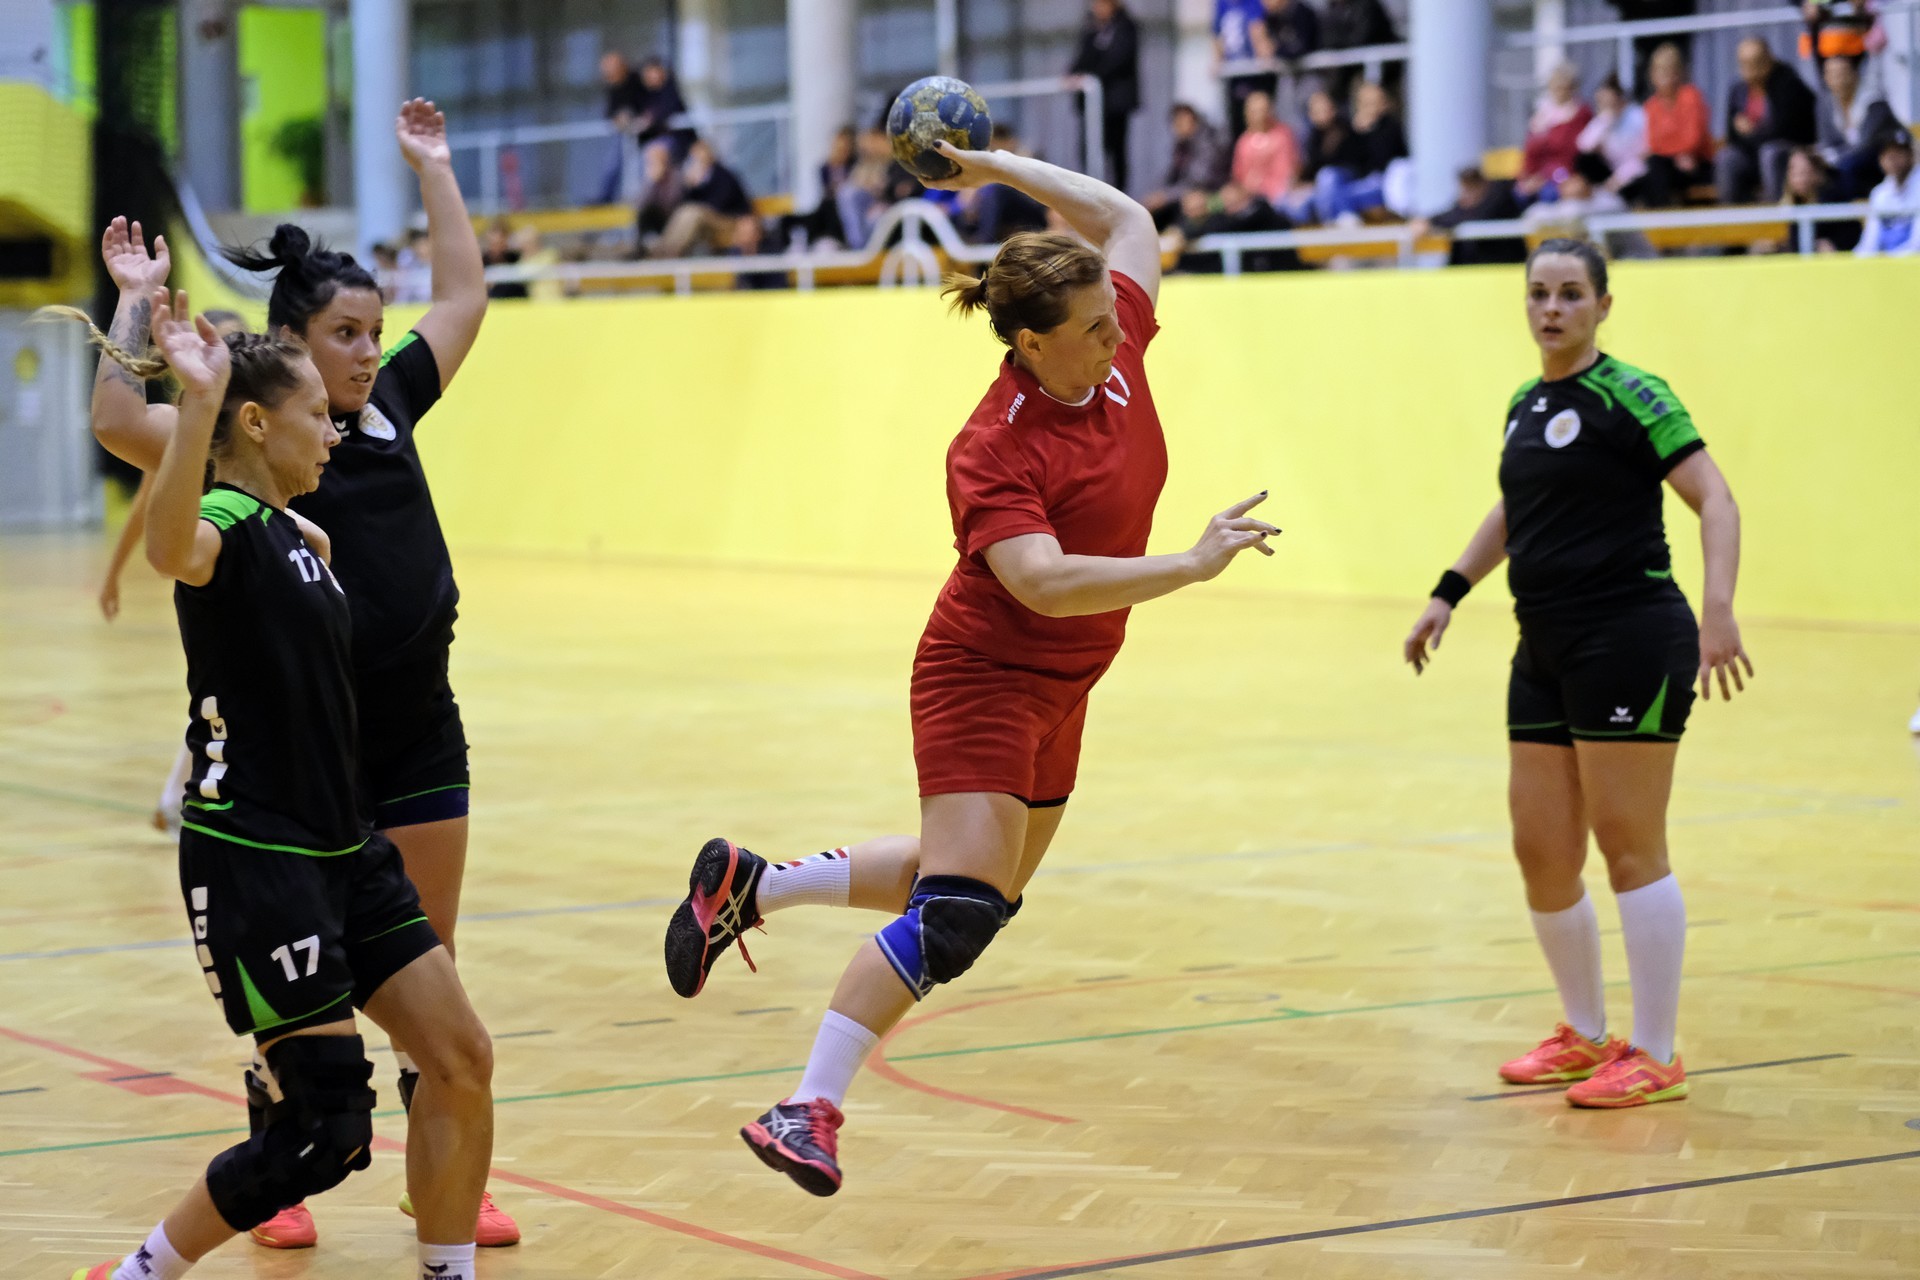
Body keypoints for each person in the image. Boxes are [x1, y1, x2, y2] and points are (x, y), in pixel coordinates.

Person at [662, 146, 1276, 1197]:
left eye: (1116, 318)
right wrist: (1189, 563)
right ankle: (806, 1105)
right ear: (1032, 342)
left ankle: (756, 886)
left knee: (986, 887)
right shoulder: (993, 445)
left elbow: (1127, 217)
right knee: (957, 914)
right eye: (1095, 329)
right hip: (983, 674)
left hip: (1069, 681)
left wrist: (988, 168)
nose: (1120, 337)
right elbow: (1042, 580)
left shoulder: (1111, 342)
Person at [85, 100, 515, 1251]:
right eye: (345, 334)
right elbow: (127, 427)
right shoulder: (249, 454)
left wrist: (434, 168)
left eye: (377, 332)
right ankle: (286, 1152)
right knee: (316, 1032)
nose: (370, 351)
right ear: (289, 348)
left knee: (435, 992)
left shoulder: (385, 411)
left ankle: (443, 1181)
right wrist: (146, 323)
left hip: (415, 732)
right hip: (302, 759)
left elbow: (464, 299)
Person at [1404, 238, 1751, 1110]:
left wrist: (1718, 609)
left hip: (1629, 638)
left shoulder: (1633, 394)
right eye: (1538, 294)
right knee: (1543, 850)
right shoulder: (1525, 403)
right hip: (1544, 645)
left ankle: (1657, 1054)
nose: (1551, 308)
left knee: (1629, 846)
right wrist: (1449, 591)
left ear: (1602, 305)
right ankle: (1585, 1034)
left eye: (1569, 294)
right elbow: (1517, 509)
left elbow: (1716, 498)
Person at [90, 282, 248, 838]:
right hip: (208, 576)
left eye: (234, 347)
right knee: (223, 690)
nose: (223, 359)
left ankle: (179, 797)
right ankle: (187, 798)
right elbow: (143, 504)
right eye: (214, 345)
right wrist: (113, 575)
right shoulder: (184, 435)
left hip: (254, 573)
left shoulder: (262, 427)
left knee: (231, 691)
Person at [1717, 38, 1818, 206]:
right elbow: (1732, 134)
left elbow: (1785, 130)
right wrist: (1744, 132)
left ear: (1768, 59)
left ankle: (1774, 213)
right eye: (1744, 63)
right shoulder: (1738, 91)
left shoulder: (1788, 84)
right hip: (1751, 154)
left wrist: (1752, 132)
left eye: (1755, 61)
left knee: (1769, 153)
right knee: (1727, 158)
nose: (1749, 68)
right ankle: (1730, 215)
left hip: (1788, 153)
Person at [1309, 81, 1406, 224]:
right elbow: (1347, 161)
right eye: (1365, 104)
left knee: (1342, 195)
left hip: (1383, 180)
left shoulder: (1390, 127)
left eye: (1373, 103)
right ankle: (1338, 220)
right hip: (1359, 179)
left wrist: (1370, 131)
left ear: (1384, 104)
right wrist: (1356, 133)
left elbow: (1381, 160)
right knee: (1328, 179)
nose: (1369, 108)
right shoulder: (1350, 128)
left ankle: (1344, 218)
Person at [1070, 0, 1141, 194]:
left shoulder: (1126, 27)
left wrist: (1093, 76)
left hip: (1115, 104)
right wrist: (1074, 74)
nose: (1098, 9)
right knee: (1088, 148)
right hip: (1093, 104)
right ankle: (1090, 191)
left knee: (1116, 150)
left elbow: (1119, 59)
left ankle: (1119, 193)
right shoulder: (1091, 27)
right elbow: (1083, 57)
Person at [1815, 55, 1903, 198]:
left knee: (1847, 169)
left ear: (1855, 74)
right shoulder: (1826, 104)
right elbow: (1826, 143)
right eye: (1831, 74)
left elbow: (1865, 146)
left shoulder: (1874, 101)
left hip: (1881, 160)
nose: (1838, 79)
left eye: (1842, 73)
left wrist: (1836, 157)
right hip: (1847, 162)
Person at [1640, 43, 1714, 208]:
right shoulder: (1651, 105)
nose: (1666, 76)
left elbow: (1693, 138)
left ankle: (1663, 216)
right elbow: (1654, 142)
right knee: (1651, 170)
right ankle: (1660, 218)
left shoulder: (1691, 96)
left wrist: (1678, 151)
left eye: (1670, 70)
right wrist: (1676, 153)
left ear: (1680, 72)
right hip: (1670, 164)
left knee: (1657, 169)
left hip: (1697, 163)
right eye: (1661, 71)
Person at [1409, 167, 1526, 267]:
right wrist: (1426, 221)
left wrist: (1432, 222)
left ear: (1483, 184)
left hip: (1500, 266)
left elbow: (1473, 217)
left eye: (1471, 187)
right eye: (1465, 188)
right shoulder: (1463, 205)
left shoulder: (1500, 198)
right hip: (1469, 270)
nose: (1466, 193)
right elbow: (1451, 215)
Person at [1144, 103, 1230, 230]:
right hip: (1185, 194)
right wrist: (1157, 195)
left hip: (1212, 195)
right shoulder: (1181, 146)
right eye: (1175, 123)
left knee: (1188, 205)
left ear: (1193, 120)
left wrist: (1166, 197)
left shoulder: (1208, 143)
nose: (1178, 126)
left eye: (1181, 121)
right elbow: (1170, 177)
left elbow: (1199, 182)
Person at [1519, 63, 1595, 204]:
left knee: (1548, 194)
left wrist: (1548, 176)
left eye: (1564, 87)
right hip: (1541, 174)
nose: (1559, 92)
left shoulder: (1580, 114)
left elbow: (1573, 151)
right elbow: (1531, 152)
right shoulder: (1542, 115)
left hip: (1566, 175)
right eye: (1556, 87)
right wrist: (1529, 176)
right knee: (1518, 195)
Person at [1767, 146, 1861, 252]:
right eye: (1793, 171)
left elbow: (1850, 240)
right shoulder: (1795, 205)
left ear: (1817, 173)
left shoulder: (1836, 203)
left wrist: (1830, 246)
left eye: (1803, 172)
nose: (1798, 178)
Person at [1577, 74, 1648, 202]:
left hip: (1634, 173)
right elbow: (1583, 145)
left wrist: (1620, 178)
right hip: (1611, 172)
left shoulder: (1638, 116)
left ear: (1619, 98)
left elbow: (1643, 156)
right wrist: (1605, 120)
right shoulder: (1604, 119)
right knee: (1584, 160)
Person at [1855, 128, 1920, 255]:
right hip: (1888, 262)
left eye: (1899, 152)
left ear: (1911, 155)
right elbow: (1870, 242)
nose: (1893, 158)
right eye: (1888, 154)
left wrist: (1888, 260)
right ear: (1881, 159)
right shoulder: (1879, 193)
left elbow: (1917, 245)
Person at [1231, 89, 1301, 207]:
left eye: (1263, 110)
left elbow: (1287, 174)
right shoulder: (1243, 142)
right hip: (1250, 197)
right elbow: (1238, 176)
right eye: (1254, 111)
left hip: (1278, 197)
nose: (1260, 116)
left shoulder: (1283, 135)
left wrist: (1262, 184)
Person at [1215, 0, 1273, 138]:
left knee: (1260, 116)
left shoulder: (1253, 3)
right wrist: (1217, 61)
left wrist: (1264, 56)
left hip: (1255, 75)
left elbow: (1257, 29)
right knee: (1237, 121)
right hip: (1235, 75)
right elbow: (1217, 33)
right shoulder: (1221, 3)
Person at [595, 52, 648, 205]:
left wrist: (638, 118)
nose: (609, 75)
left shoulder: (638, 81)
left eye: (611, 70)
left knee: (643, 164)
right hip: (626, 134)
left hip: (646, 133)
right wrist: (619, 119)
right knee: (613, 163)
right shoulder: (613, 87)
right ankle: (605, 198)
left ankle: (644, 197)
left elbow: (649, 104)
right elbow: (610, 113)